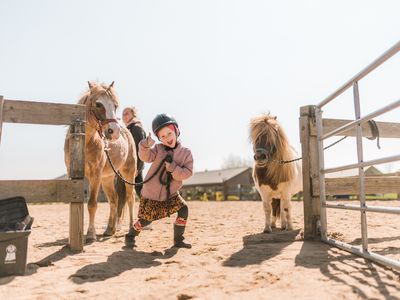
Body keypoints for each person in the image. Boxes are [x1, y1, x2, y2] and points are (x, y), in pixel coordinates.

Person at [124, 113, 194, 249]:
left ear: (176, 131)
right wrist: (145, 145)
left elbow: (187, 173)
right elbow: (146, 157)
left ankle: (178, 239)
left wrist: (173, 168)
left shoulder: (186, 153)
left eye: (169, 133)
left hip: (171, 193)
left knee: (183, 209)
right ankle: (130, 236)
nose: (167, 138)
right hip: (152, 193)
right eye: (162, 136)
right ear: (159, 139)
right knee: (146, 219)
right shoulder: (158, 149)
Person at [122, 107, 147, 196]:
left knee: (140, 192)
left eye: (127, 113)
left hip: (135, 167)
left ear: (133, 115)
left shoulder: (136, 128)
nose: (124, 116)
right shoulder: (129, 128)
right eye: (123, 114)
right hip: (128, 166)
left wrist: (137, 169)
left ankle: (149, 209)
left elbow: (140, 150)